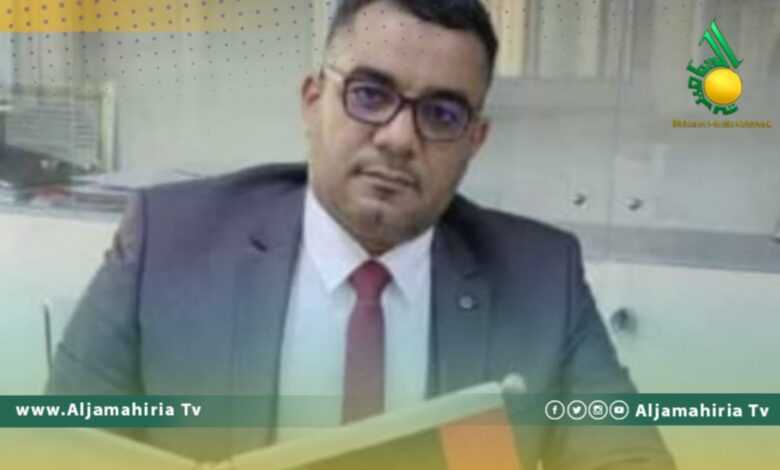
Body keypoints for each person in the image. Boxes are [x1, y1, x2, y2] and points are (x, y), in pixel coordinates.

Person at [47, 0, 676, 468]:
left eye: (441, 113)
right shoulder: (169, 241)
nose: (399, 138)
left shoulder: (540, 277)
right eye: (370, 95)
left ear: (474, 140)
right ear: (312, 100)